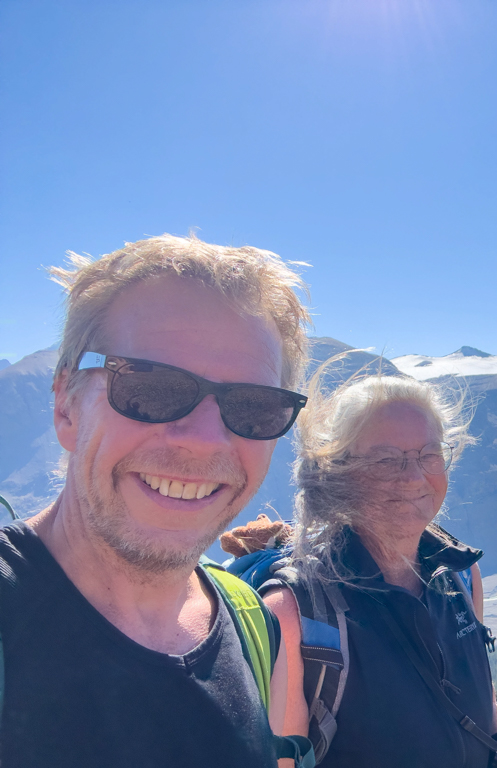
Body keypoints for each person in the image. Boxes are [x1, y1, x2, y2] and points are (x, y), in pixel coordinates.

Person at [0, 235, 311, 767]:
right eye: (151, 387)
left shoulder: (251, 624)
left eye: (254, 406)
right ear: (65, 403)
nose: (205, 440)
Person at [262, 368, 497, 768]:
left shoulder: (461, 577)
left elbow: (478, 701)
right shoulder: (296, 614)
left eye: (429, 454)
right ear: (338, 472)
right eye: (386, 460)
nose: (414, 477)